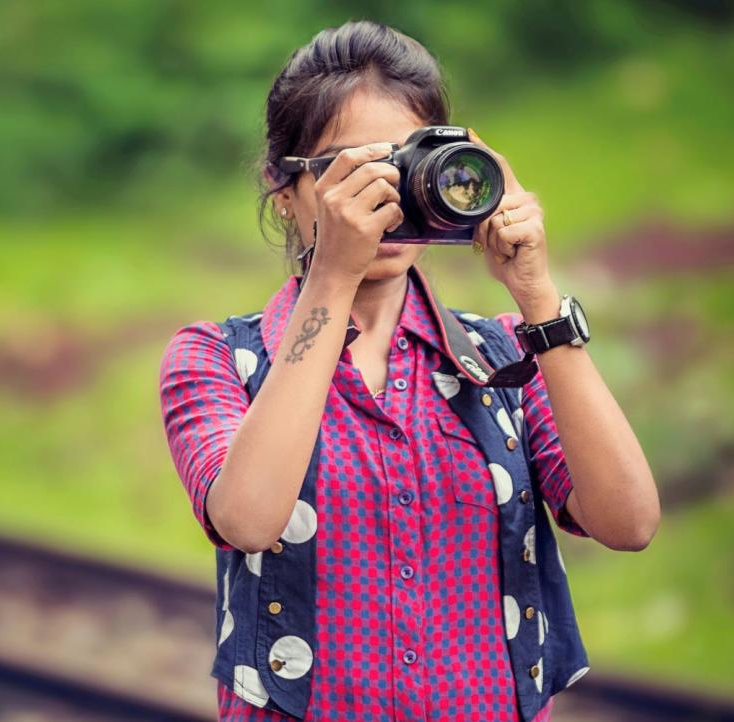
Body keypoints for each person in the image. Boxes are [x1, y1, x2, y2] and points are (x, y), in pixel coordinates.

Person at [157, 20, 660, 722]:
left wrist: (538, 296)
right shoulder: (214, 358)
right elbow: (247, 518)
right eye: (349, 171)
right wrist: (334, 276)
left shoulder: (506, 357)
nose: (383, 197)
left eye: (404, 165)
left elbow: (630, 521)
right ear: (285, 193)